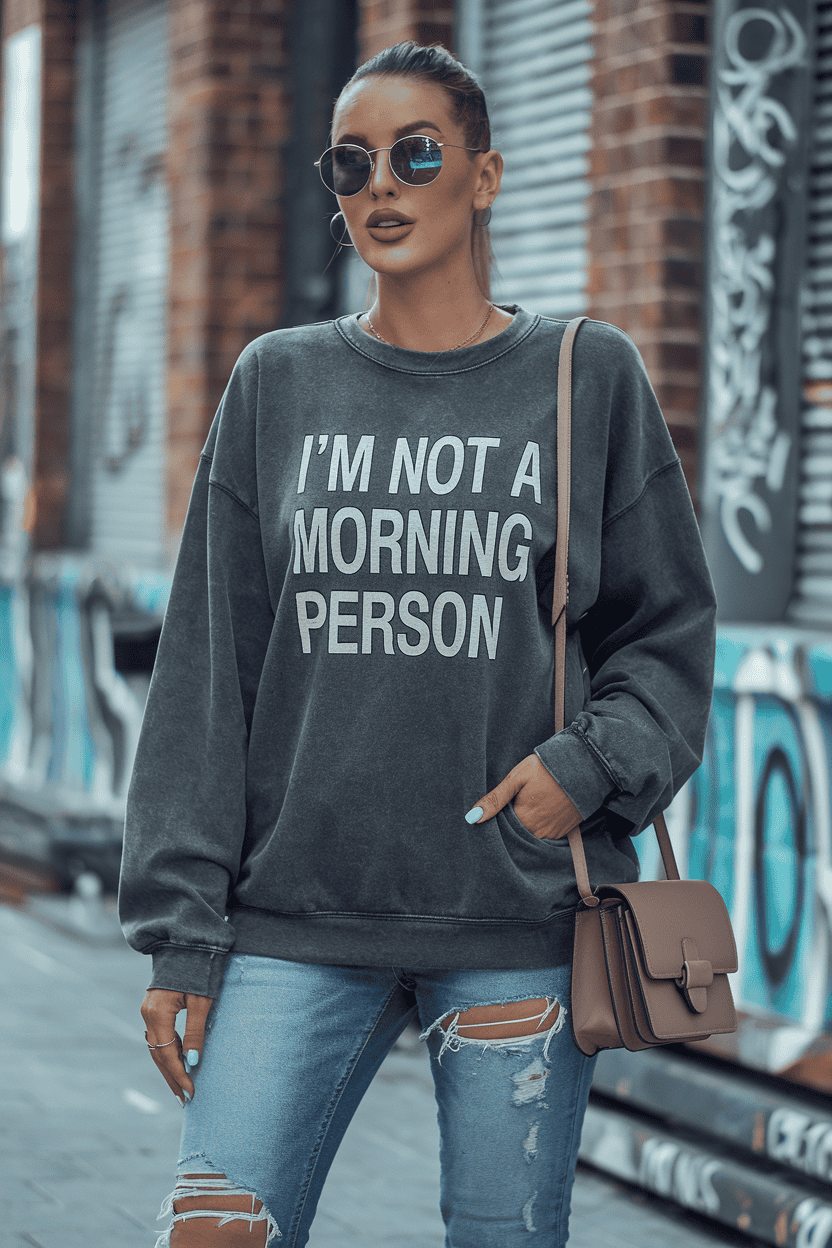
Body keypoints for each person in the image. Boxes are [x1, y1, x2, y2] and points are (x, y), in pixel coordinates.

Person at [117, 39, 717, 1248]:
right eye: (352, 163)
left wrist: (585, 767)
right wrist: (183, 930)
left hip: (512, 926)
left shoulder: (581, 375)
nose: (380, 186)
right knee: (211, 1229)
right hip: (293, 923)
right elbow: (205, 672)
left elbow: (667, 636)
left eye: (416, 154)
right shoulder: (275, 384)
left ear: (483, 176)